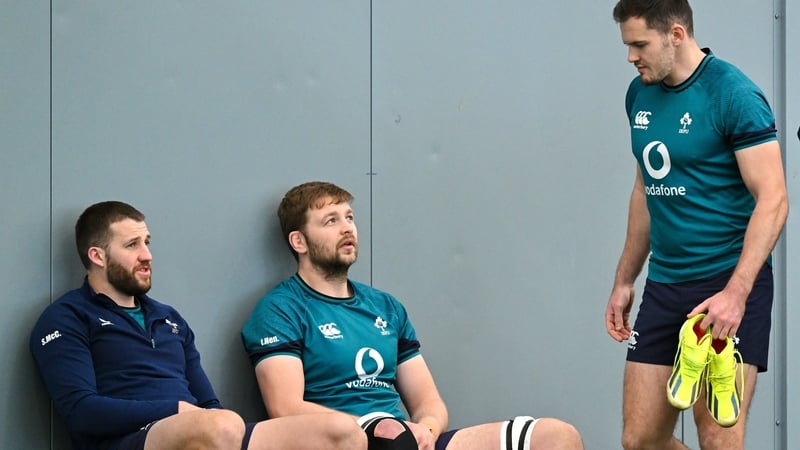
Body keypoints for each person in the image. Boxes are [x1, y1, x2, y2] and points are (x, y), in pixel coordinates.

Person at [241, 181, 584, 450]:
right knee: (390, 436)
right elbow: (285, 409)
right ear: (299, 241)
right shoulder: (280, 308)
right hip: (346, 440)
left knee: (556, 436)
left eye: (349, 218)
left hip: (405, 439)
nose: (347, 228)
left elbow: (428, 401)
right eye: (330, 221)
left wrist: (426, 429)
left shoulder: (385, 307)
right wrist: (371, 428)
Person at [30, 201, 367, 450]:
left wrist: (203, 417)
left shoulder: (169, 319)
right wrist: (175, 410)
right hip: (128, 440)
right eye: (132, 245)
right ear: (97, 256)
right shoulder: (66, 317)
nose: (147, 255)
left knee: (340, 432)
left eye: (147, 242)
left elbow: (209, 405)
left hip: (206, 431)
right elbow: (81, 412)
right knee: (219, 426)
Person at [603, 1, 788, 449]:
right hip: (666, 284)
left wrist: (736, 294)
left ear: (677, 35)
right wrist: (625, 279)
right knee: (640, 439)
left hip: (725, 285)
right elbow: (645, 190)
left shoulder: (734, 95)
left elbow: (774, 199)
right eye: (627, 45)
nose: (631, 56)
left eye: (639, 44)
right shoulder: (639, 94)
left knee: (717, 440)